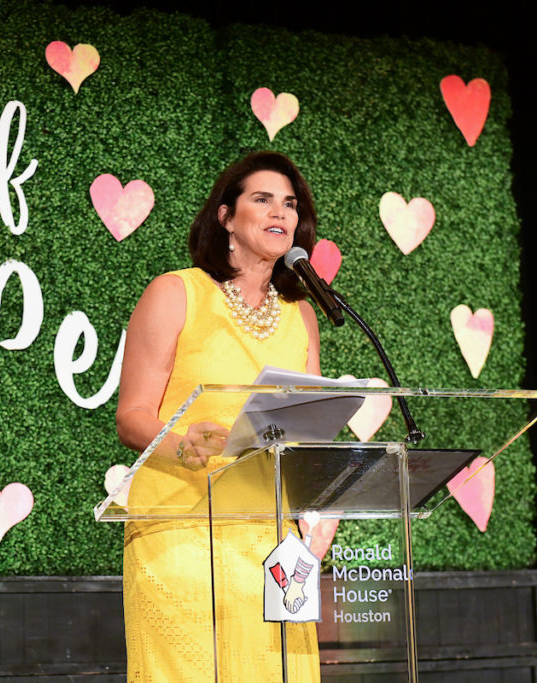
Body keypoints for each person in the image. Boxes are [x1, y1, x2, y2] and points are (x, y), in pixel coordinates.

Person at [115, 151, 321, 681]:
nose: (280, 212)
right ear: (226, 217)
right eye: (262, 199)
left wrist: (320, 507)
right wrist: (181, 441)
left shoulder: (302, 315)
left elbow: (306, 424)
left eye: (290, 204)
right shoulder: (176, 292)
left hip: (273, 532)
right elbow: (132, 415)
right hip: (180, 521)